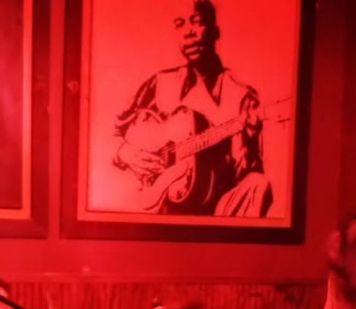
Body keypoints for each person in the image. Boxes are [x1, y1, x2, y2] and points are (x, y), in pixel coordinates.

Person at [112, 0, 272, 216]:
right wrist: (126, 153)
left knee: (257, 184)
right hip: (161, 205)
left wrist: (244, 140)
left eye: (196, 22)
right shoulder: (160, 83)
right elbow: (114, 132)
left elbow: (245, 173)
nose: (188, 32)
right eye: (180, 24)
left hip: (215, 208)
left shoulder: (242, 97)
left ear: (214, 30)